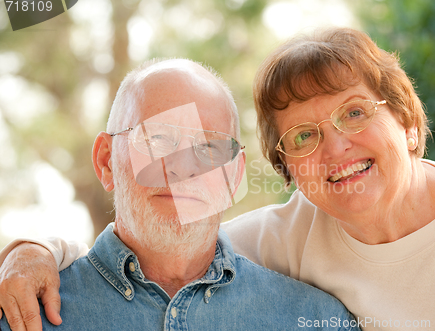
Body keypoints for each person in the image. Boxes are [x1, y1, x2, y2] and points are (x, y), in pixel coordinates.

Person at [2, 26, 435, 331]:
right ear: (107, 162)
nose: (184, 170)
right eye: (303, 137)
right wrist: (31, 251)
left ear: (409, 124)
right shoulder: (273, 239)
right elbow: (167, 240)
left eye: (354, 113)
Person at [0, 58, 359, 331]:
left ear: (234, 177)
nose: (183, 168)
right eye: (158, 139)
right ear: (106, 161)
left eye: (209, 148)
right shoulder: (23, 313)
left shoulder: (317, 319)